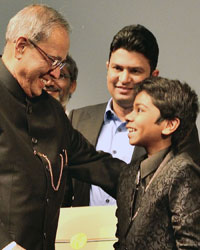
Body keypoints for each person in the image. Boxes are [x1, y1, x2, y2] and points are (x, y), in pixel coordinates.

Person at [0, 4, 122, 250]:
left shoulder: (54, 113)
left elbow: (97, 165)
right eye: (52, 60)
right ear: (21, 46)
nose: (56, 74)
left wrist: (159, 180)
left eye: (61, 63)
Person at [65, 24, 200, 207]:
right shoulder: (77, 118)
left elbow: (186, 192)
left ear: (154, 76)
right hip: (84, 234)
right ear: (108, 67)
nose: (124, 79)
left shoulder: (175, 126)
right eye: (117, 68)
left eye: (135, 71)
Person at [114, 76, 200, 249]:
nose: (128, 117)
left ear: (169, 124)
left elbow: (190, 245)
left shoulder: (182, 171)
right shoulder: (129, 173)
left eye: (139, 110)